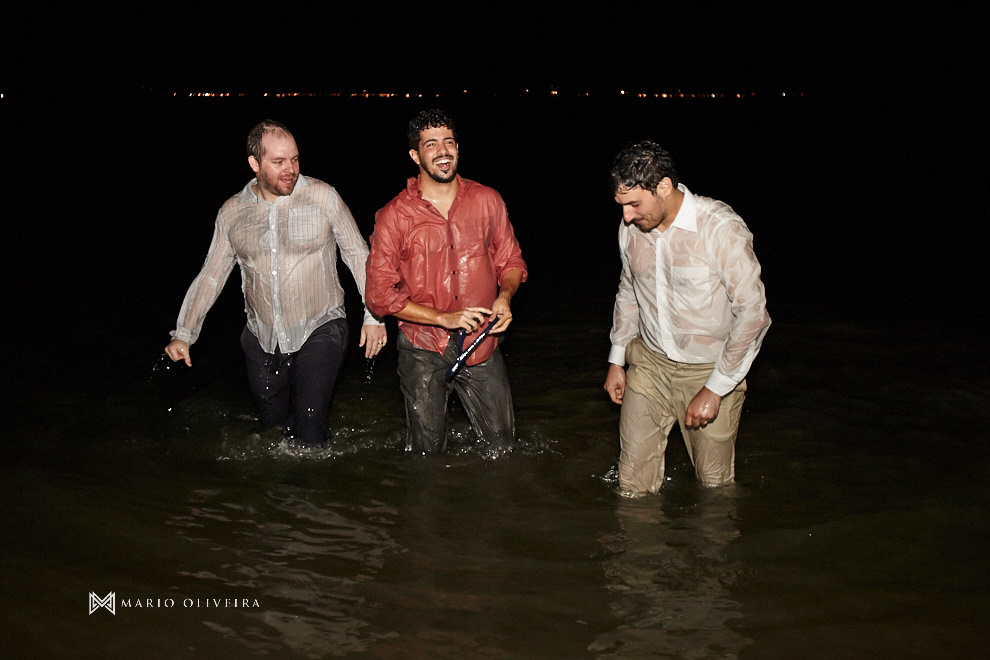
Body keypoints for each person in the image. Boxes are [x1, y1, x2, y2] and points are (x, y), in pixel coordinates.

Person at [164, 119, 386, 446]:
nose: (290, 170)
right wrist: (185, 333)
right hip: (262, 336)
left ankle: (316, 492)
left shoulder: (324, 198)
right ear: (254, 163)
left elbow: (357, 254)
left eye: (295, 159)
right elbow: (211, 275)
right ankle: (281, 493)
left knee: (309, 423)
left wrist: (374, 316)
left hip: (321, 325)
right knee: (272, 433)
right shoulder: (232, 214)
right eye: (279, 162)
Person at [604, 141, 770, 495]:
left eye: (634, 204)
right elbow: (629, 291)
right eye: (621, 206)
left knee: (714, 488)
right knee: (631, 485)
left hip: (709, 369)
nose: (627, 217)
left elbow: (753, 314)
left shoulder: (720, 229)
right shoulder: (631, 230)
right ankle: (636, 547)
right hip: (649, 364)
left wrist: (715, 388)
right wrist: (617, 359)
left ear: (664, 186)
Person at [365, 109, 527, 454]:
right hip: (422, 347)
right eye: (431, 144)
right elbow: (379, 295)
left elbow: (511, 261)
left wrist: (505, 297)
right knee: (427, 453)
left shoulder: (488, 200)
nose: (443, 151)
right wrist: (442, 318)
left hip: (482, 342)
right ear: (415, 155)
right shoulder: (394, 216)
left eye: (449, 142)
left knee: (503, 449)